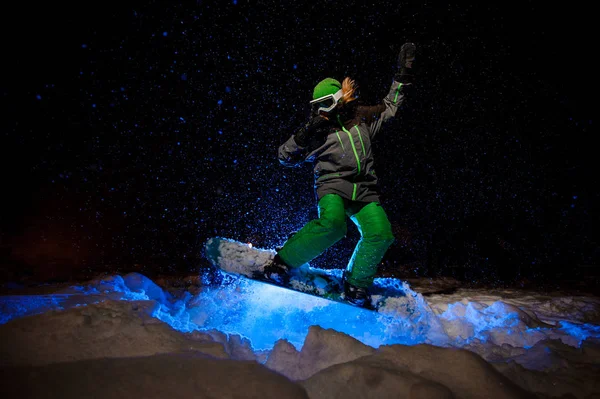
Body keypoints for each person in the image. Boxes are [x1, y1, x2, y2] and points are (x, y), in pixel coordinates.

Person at [262, 43, 416, 307]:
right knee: (333, 225)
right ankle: (283, 260)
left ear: (339, 99)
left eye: (326, 103)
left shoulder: (362, 118)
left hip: (364, 190)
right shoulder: (317, 129)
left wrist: (402, 76)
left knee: (381, 234)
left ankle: (356, 283)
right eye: (317, 106)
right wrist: (306, 131)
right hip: (332, 186)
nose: (322, 110)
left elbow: (390, 107)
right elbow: (284, 157)